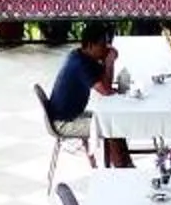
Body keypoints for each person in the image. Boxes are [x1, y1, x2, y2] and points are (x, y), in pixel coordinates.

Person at [48, 22, 122, 163]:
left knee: (114, 120)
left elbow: (106, 83)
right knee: (111, 126)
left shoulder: (83, 56)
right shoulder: (81, 64)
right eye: (102, 44)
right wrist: (109, 62)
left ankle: (123, 163)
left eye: (107, 43)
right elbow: (106, 90)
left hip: (73, 113)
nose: (105, 48)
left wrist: (107, 61)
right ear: (90, 45)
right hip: (64, 122)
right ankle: (122, 167)